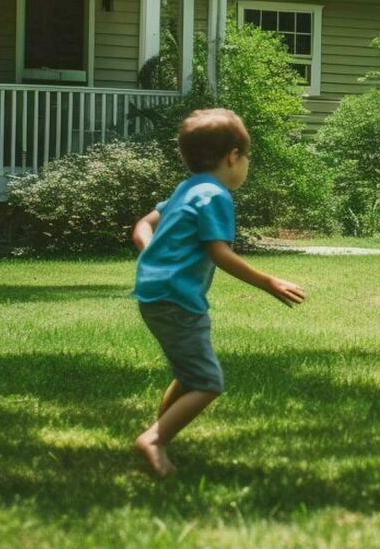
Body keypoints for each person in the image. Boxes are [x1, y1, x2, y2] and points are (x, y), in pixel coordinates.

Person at [130, 108, 304, 477]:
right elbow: (219, 252)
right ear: (233, 156)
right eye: (247, 157)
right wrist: (269, 282)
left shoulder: (187, 188)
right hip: (177, 297)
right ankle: (154, 440)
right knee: (207, 382)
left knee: (187, 371)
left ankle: (163, 433)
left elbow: (143, 224)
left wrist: (151, 250)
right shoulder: (215, 195)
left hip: (154, 292)